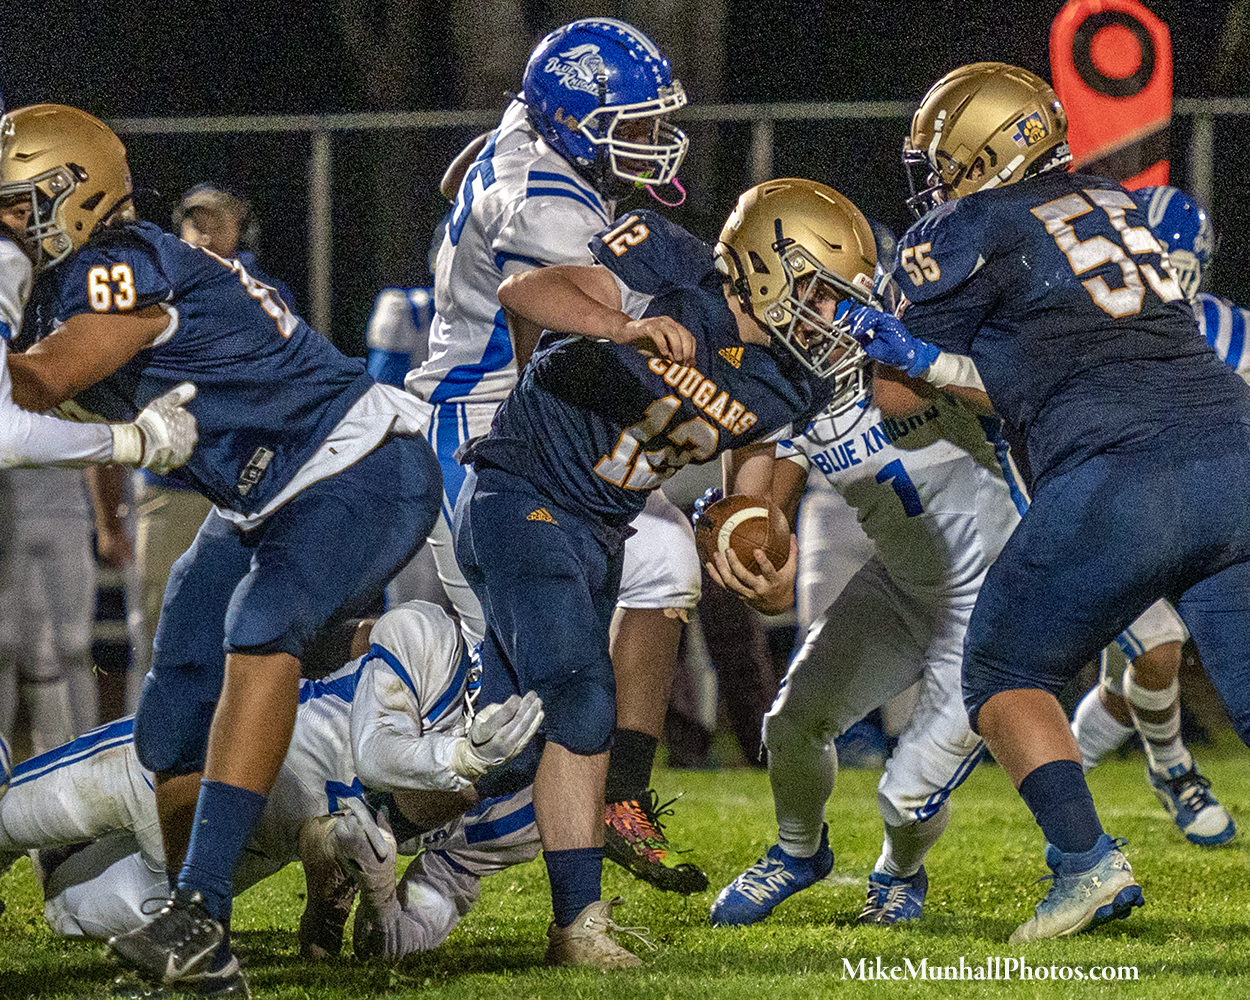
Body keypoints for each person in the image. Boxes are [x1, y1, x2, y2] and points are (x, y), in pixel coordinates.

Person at [0, 103, 443, 995]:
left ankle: (203, 911)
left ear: (76, 196)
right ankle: (197, 930)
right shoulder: (62, 281)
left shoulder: (119, 264)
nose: (7, 225)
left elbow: (42, 381)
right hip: (257, 499)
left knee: (262, 620)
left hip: (357, 461)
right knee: (173, 711)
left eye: (18, 206)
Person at [847, 61, 1250, 943]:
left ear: (982, 149)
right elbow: (1036, 361)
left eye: (941, 156)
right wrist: (937, 362)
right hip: (1235, 450)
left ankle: (1084, 863)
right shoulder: (1111, 200)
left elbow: (898, 398)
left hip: (1124, 470)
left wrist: (892, 352)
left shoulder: (967, 225)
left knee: (1001, 672)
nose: (933, 176)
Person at [460, 197, 847, 966]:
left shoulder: (783, 380)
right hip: (521, 493)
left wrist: (766, 572)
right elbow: (523, 292)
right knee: (582, 698)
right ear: (766, 269)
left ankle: (358, 826)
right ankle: (578, 926)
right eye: (823, 290)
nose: (831, 314)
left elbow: (751, 513)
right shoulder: (670, 274)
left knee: (506, 757)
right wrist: (616, 325)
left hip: (603, 530)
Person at [405, 17, 706, 895]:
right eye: (633, 125)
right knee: (516, 717)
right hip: (489, 431)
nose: (653, 140)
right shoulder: (549, 206)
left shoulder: (528, 140)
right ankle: (368, 818)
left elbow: (467, 169)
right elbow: (555, 334)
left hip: (539, 417)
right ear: (574, 121)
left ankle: (620, 797)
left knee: (665, 560)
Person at [699, 177, 1018, 929]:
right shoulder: (785, 387)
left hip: (994, 597)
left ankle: (899, 874)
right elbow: (765, 535)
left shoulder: (922, 329)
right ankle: (797, 851)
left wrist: (931, 364)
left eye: (839, 285)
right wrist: (746, 544)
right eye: (814, 292)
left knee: (907, 794)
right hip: (904, 585)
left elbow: (1021, 389)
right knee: (790, 724)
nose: (837, 306)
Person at [0, 601, 541, 969]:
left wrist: (379, 900)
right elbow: (378, 756)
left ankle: (58, 855)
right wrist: (464, 758)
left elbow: (395, 941)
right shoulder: (434, 642)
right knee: (8, 815)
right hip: (202, 764)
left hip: (243, 851)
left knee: (68, 910)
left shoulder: (519, 818)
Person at [1071, 184, 1237, 848]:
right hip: (1109, 517)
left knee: (1132, 683)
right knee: (1158, 650)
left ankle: (1060, 779)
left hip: (1201, 523)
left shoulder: (1228, 331)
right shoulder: (1082, 326)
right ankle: (1173, 768)